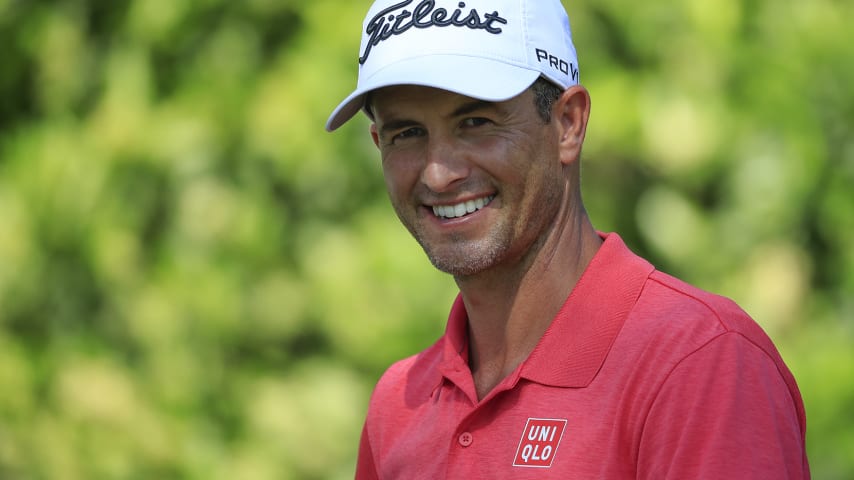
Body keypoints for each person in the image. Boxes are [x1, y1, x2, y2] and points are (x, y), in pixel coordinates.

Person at [326, 0, 810, 478]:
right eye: (407, 133)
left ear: (568, 124)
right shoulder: (398, 404)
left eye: (475, 122)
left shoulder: (701, 363)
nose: (438, 172)